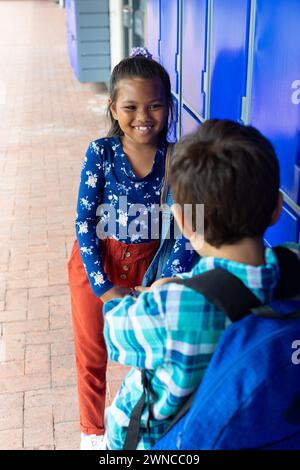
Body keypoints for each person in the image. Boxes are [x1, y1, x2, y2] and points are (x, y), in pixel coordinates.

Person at [102, 119, 300, 450]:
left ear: (183, 221)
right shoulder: (293, 264)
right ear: (277, 209)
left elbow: (114, 330)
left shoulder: (172, 307)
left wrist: (159, 293)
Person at [67, 48, 197, 450]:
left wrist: (166, 281)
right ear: (113, 108)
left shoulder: (178, 158)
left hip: (151, 269)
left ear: (169, 106)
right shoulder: (100, 154)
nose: (143, 117)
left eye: (155, 105)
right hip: (96, 262)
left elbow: (190, 229)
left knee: (146, 354)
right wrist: (102, 285)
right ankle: (92, 434)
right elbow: (84, 223)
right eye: (131, 107)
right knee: (92, 352)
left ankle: (136, 427)